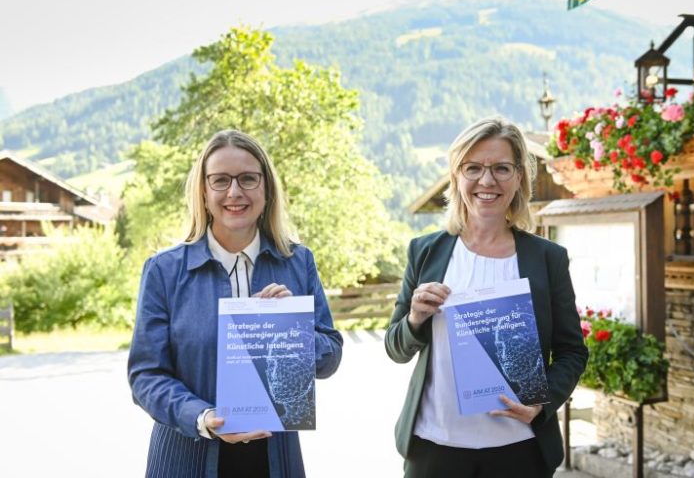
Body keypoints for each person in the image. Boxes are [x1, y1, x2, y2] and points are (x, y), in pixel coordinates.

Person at [128, 129, 343, 478]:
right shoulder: (164, 271)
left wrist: (292, 332)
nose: (234, 192)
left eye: (247, 179)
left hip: (274, 461)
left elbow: (330, 356)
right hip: (187, 457)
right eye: (220, 181)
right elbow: (146, 375)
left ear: (266, 187)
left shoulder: (297, 261)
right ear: (203, 189)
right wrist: (203, 418)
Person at [385, 116, 588, 478]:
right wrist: (415, 318)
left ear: (520, 177)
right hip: (435, 447)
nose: (487, 180)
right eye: (473, 168)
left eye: (501, 168)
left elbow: (572, 351)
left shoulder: (546, 258)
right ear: (457, 176)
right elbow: (395, 349)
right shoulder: (426, 252)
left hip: (519, 450)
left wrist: (542, 404)